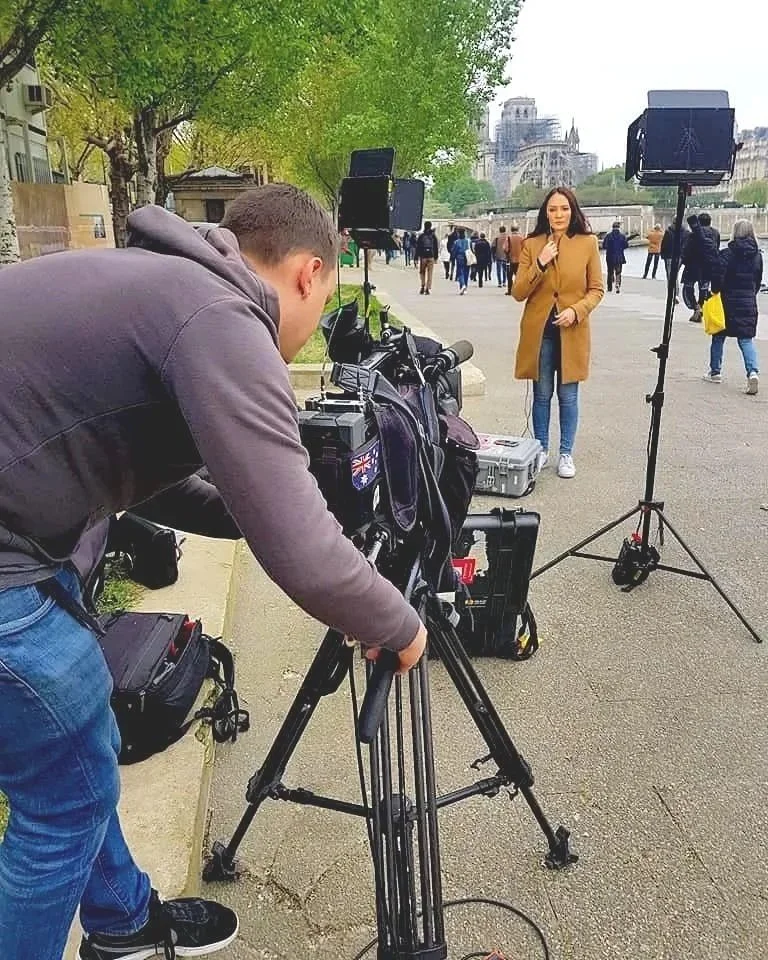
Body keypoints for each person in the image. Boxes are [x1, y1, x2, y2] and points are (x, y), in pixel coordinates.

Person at [0, 183, 427, 960]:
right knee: (62, 804)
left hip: (25, 542)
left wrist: (261, 507)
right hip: (10, 567)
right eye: (325, 299)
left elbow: (139, 470)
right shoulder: (222, 318)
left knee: (74, 760)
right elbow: (302, 553)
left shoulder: (169, 285)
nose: (313, 326)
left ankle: (122, 924)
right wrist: (398, 623)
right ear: (308, 273)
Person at [512, 186, 604, 479]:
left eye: (564, 208)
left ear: (572, 211)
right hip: (540, 332)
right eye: (553, 209)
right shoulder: (532, 244)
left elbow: (596, 289)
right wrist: (540, 262)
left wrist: (576, 310)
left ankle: (566, 453)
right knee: (541, 395)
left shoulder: (588, 243)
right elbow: (518, 292)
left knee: (568, 395)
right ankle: (540, 448)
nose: (559, 214)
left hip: (572, 330)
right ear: (546, 213)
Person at [691, 216, 762, 395]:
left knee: (718, 336)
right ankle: (752, 372)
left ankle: (715, 371)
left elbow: (718, 277)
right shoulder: (757, 256)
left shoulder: (727, 253)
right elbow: (757, 279)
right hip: (748, 301)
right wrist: (750, 294)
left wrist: (714, 291)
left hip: (727, 302)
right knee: (746, 339)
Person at [681, 211, 721, 323]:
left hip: (692, 266)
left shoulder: (693, 234)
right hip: (708, 266)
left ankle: (695, 307)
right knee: (704, 288)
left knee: (688, 287)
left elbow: (686, 250)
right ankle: (701, 306)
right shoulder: (715, 233)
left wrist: (684, 261)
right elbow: (716, 249)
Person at [661, 218, 690, 304]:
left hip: (669, 256)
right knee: (675, 274)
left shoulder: (668, 231)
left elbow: (664, 244)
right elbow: (687, 245)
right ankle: (675, 294)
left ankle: (673, 294)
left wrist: (663, 255)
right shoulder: (686, 232)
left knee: (670, 276)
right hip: (680, 256)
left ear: (673, 221)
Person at [602, 221, 628, 294]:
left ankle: (609, 288)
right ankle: (617, 284)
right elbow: (626, 245)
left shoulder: (608, 236)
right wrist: (620, 248)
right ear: (618, 228)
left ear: (612, 227)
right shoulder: (622, 236)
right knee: (618, 272)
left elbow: (604, 246)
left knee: (610, 272)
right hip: (619, 257)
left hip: (610, 257)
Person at [416, 221, 439, 295]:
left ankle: (422, 286)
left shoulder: (421, 236)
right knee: (430, 273)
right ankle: (427, 288)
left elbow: (418, 247)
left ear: (424, 226)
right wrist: (436, 257)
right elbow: (436, 247)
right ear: (430, 226)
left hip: (423, 257)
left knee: (422, 272)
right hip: (431, 256)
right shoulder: (433, 236)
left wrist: (416, 257)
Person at [505, 224, 523, 295]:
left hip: (511, 260)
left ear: (511, 230)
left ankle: (510, 290)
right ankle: (520, 290)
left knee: (510, 276)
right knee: (519, 276)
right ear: (518, 230)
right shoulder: (521, 238)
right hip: (520, 260)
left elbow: (505, 248)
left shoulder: (509, 238)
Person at [453, 228, 471, 294]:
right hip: (467, 257)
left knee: (460, 272)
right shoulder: (468, 241)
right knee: (466, 273)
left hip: (459, 258)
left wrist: (453, 258)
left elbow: (454, 251)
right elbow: (471, 249)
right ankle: (465, 287)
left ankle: (462, 285)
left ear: (459, 234)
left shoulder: (456, 242)